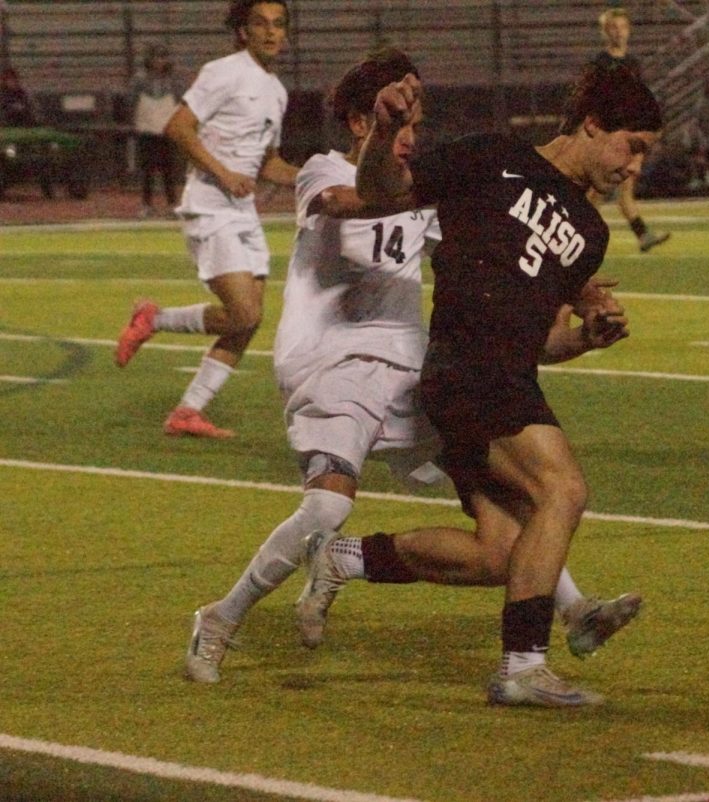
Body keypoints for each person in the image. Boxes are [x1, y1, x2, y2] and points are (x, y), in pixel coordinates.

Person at [185, 48, 641, 686]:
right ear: (359, 122)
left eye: (413, 127)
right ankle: (220, 617)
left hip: (411, 373)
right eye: (397, 123)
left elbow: (494, 251)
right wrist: (388, 153)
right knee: (325, 510)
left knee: (511, 525)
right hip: (332, 365)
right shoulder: (324, 170)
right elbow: (353, 201)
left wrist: (579, 294)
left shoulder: (424, 198)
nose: (409, 137)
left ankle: (573, 611)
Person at [325, 63, 661, 708]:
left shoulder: (590, 235)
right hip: (465, 370)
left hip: (502, 376)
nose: (635, 168)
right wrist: (386, 130)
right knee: (562, 487)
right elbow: (381, 192)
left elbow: (538, 340)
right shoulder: (489, 157)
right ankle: (523, 666)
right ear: (593, 125)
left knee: (502, 554)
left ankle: (343, 556)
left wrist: (587, 338)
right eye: (633, 146)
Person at [113, 0, 297, 439]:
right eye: (260, 24)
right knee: (244, 311)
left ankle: (188, 410)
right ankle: (153, 319)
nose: (271, 32)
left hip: (242, 212)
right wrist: (224, 173)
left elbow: (268, 163)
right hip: (210, 207)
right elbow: (177, 127)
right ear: (242, 32)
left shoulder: (278, 91)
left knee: (249, 321)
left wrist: (320, 178)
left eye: (278, 24)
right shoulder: (223, 72)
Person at [588, 7, 669, 253]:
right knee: (598, 191)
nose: (618, 33)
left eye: (622, 27)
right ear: (605, 32)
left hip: (627, 132)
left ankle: (643, 236)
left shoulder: (633, 63)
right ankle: (574, 231)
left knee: (622, 191)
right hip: (609, 133)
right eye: (613, 28)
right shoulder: (601, 62)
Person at [129, 44, 184, 218]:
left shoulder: (174, 81)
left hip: (168, 130)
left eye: (163, 57)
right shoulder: (139, 80)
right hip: (146, 130)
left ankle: (173, 204)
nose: (159, 62)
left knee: (169, 169)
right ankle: (146, 205)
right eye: (156, 58)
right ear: (149, 60)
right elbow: (132, 103)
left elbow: (181, 103)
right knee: (147, 170)